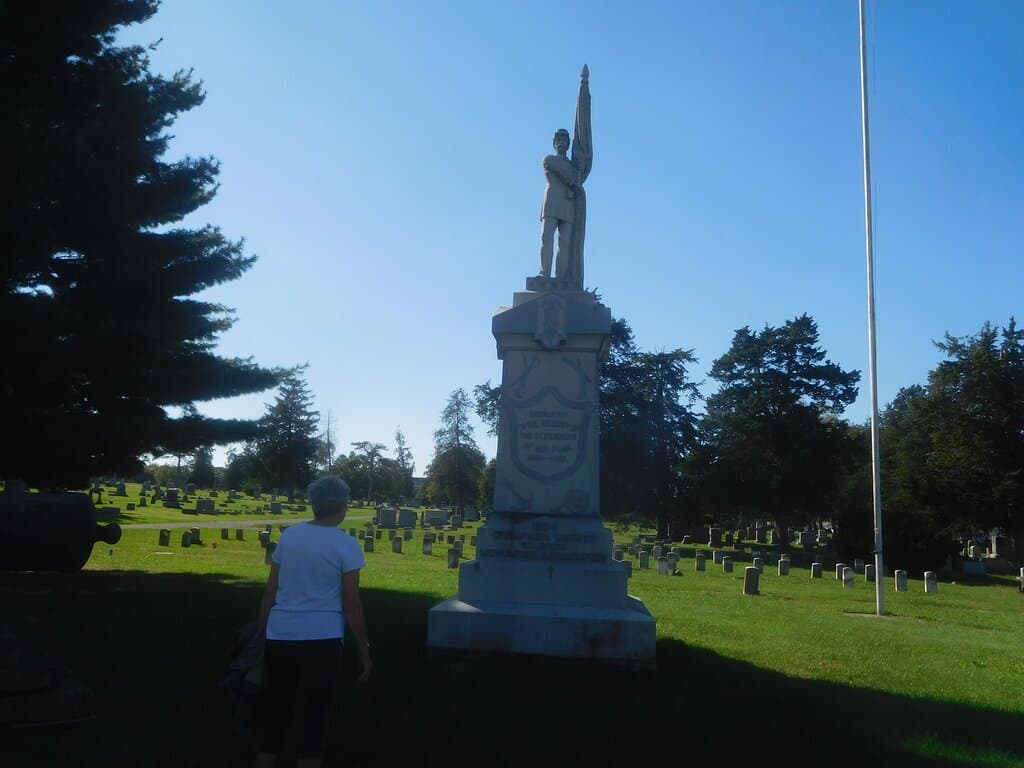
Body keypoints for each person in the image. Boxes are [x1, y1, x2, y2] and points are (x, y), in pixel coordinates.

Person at [255, 476, 371, 768]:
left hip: (280, 634)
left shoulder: (290, 536)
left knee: (275, 711)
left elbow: (271, 589)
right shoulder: (346, 545)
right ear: (342, 507)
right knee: (313, 716)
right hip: (323, 638)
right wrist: (364, 649)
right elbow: (351, 603)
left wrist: (261, 632)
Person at [538, 128, 579, 279]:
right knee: (546, 237)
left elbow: (577, 178)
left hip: (568, 205)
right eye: (559, 141)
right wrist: (572, 179)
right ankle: (544, 273)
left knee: (564, 242)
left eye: (564, 141)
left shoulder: (574, 167)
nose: (561, 143)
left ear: (568, 145)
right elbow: (562, 174)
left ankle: (560, 277)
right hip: (551, 201)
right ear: (554, 143)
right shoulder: (549, 159)